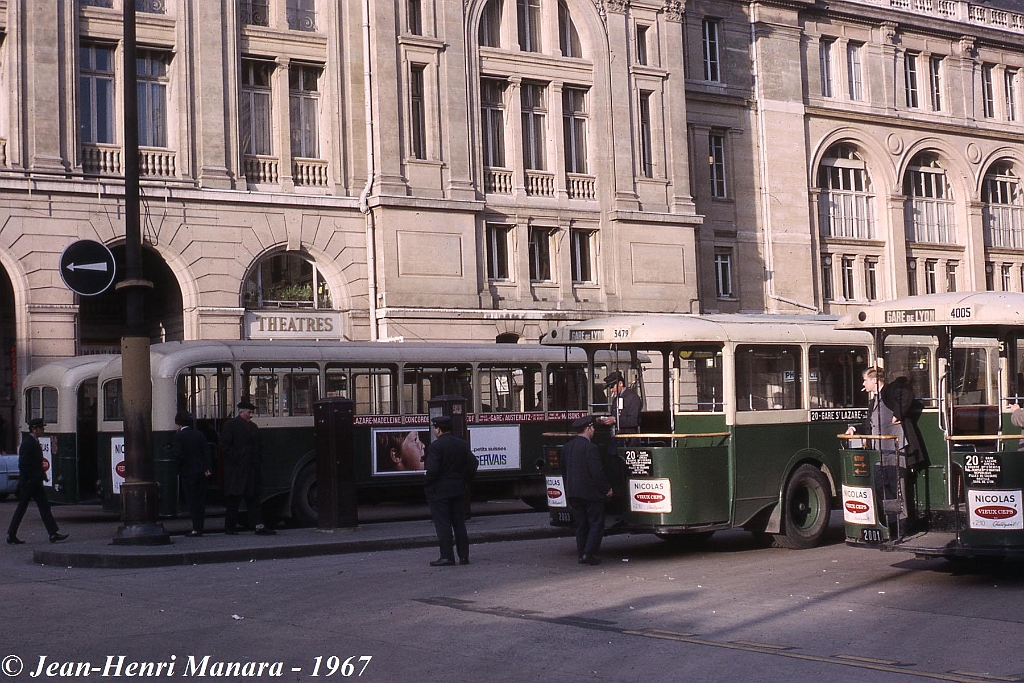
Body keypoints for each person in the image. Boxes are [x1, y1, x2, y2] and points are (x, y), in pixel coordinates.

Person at [846, 368, 907, 521]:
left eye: (865, 380)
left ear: (874, 380)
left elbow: (908, 396)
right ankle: (889, 520)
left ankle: (902, 522)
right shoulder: (873, 400)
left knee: (896, 486)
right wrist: (855, 428)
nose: (863, 383)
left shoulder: (889, 392)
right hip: (878, 449)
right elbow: (871, 424)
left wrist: (898, 415)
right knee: (880, 485)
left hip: (893, 448)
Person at [424, 415, 478, 566]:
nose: (434, 431)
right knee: (459, 523)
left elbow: (432, 470)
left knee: (443, 524)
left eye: (435, 428)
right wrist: (464, 480)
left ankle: (447, 556)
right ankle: (464, 556)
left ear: (439, 429)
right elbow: (473, 463)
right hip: (458, 489)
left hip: (439, 491)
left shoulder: (436, 446)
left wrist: (428, 483)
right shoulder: (461, 444)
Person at [560, 415, 613, 565]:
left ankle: (581, 553)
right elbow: (597, 472)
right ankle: (589, 554)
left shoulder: (567, 447)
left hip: (573, 492)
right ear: (588, 428)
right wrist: (606, 489)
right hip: (591, 493)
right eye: (593, 428)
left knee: (581, 524)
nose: (594, 431)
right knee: (596, 523)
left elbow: (563, 470)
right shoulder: (591, 448)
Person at [6, 419, 68, 545]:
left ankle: (52, 533)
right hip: (30, 482)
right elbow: (23, 463)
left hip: (34, 481)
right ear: (35, 429)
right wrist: (29, 478)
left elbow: (35, 463)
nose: (43, 430)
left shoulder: (32, 441)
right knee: (24, 508)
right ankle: (12, 534)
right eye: (41, 428)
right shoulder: (29, 443)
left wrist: (41, 476)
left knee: (43, 507)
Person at [219, 399, 275, 536]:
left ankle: (257, 526)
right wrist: (239, 457)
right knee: (235, 500)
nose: (251, 415)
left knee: (253, 499)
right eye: (249, 412)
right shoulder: (231, 425)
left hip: (249, 468)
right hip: (238, 469)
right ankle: (231, 527)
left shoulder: (252, 427)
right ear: (241, 412)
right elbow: (224, 446)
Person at [173, 410, 212, 537]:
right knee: (200, 501)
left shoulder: (179, 437)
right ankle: (200, 526)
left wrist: (178, 470)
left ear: (179, 424)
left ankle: (195, 528)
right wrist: (207, 468)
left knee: (191, 501)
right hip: (201, 471)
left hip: (188, 472)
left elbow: (179, 456)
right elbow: (206, 452)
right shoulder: (199, 434)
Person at [599, 371, 641, 435]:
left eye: (612, 386)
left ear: (620, 383)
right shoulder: (616, 399)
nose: (611, 390)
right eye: (610, 387)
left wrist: (615, 420)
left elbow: (633, 420)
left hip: (629, 438)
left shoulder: (633, 398)